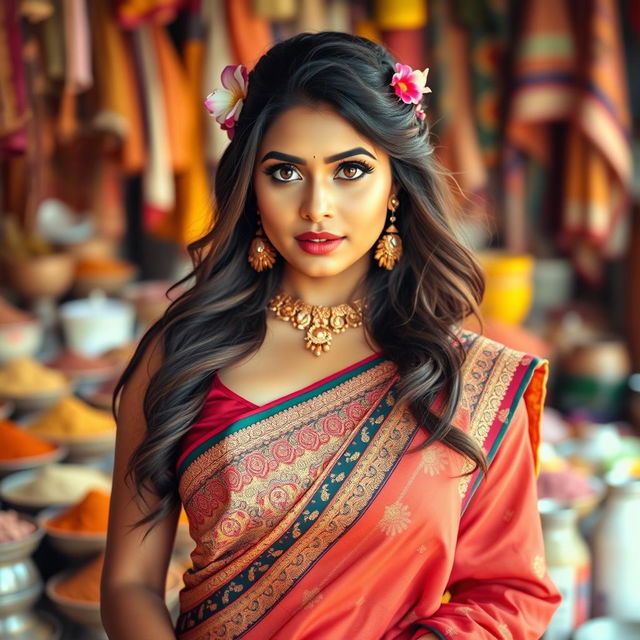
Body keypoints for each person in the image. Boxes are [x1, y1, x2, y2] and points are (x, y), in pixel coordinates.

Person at [100, 31, 561, 640]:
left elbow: (510, 593)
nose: (317, 206)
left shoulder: (468, 381)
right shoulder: (183, 354)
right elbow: (128, 584)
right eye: (286, 171)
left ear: (395, 182)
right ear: (250, 186)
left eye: (350, 171)